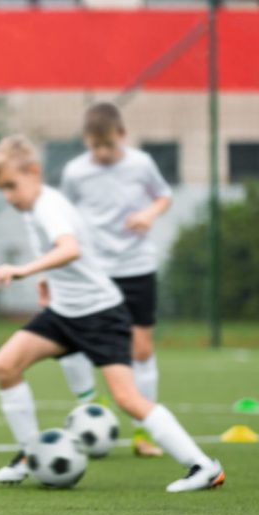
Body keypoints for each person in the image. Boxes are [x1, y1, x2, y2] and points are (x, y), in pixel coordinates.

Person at [0, 134, 224, 493]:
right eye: (1, 188)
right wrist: (47, 280)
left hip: (99, 314)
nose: (7, 196)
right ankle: (30, 454)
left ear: (34, 172)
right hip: (64, 313)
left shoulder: (50, 205)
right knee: (6, 365)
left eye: (11, 185)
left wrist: (24, 270)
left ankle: (203, 467)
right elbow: (61, 255)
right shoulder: (36, 208)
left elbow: (70, 248)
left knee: (128, 399)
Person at [56, 102, 173, 457]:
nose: (102, 153)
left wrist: (148, 213)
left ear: (121, 136)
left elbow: (164, 195)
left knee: (141, 349)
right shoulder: (75, 172)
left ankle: (144, 433)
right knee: (72, 338)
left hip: (136, 267)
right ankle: (94, 403)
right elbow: (63, 214)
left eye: (108, 145)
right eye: (95, 146)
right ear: (86, 141)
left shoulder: (141, 164)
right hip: (94, 269)